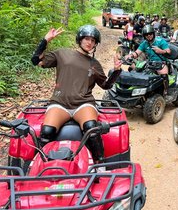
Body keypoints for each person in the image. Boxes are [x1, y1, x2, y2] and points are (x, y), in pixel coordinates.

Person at [31, 25, 122, 162]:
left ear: (95, 44)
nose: (89, 42)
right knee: (47, 132)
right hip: (60, 103)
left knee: (92, 129)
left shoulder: (94, 64)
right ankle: (40, 165)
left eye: (93, 40)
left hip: (83, 104)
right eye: (86, 38)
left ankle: (100, 164)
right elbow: (36, 61)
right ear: (80, 39)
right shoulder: (62, 54)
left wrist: (116, 71)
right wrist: (45, 40)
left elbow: (105, 85)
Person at [126, 25, 171, 96]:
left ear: (153, 33)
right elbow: (137, 53)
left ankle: (165, 91)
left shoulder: (160, 41)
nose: (149, 36)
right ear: (144, 36)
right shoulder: (144, 43)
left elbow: (168, 51)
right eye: (146, 34)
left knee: (164, 75)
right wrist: (130, 55)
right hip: (149, 63)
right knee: (134, 69)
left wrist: (161, 51)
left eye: (150, 34)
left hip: (161, 63)